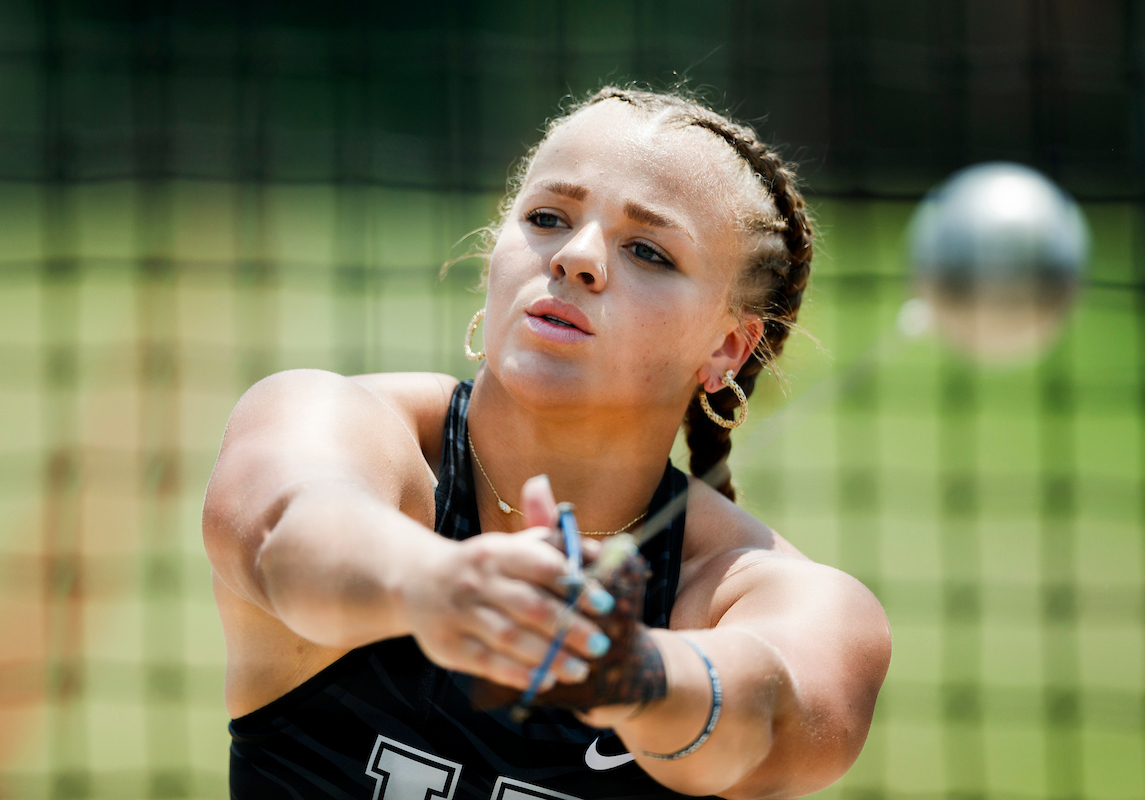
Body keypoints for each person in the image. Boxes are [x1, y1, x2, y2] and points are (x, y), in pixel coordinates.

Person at [203, 86, 891, 800]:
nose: (577, 257)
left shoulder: (773, 592)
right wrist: (442, 588)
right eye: (547, 217)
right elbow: (284, 534)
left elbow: (778, 714)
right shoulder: (333, 418)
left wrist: (632, 675)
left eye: (649, 251)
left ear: (726, 346)